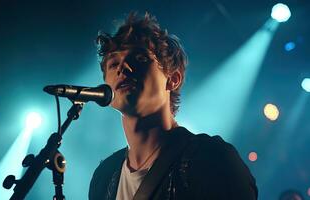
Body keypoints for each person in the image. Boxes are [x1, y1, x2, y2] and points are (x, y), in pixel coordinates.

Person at [89, 12, 258, 200]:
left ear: (173, 80)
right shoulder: (104, 176)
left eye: (140, 59)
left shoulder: (211, 159)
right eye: (113, 64)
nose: (123, 68)